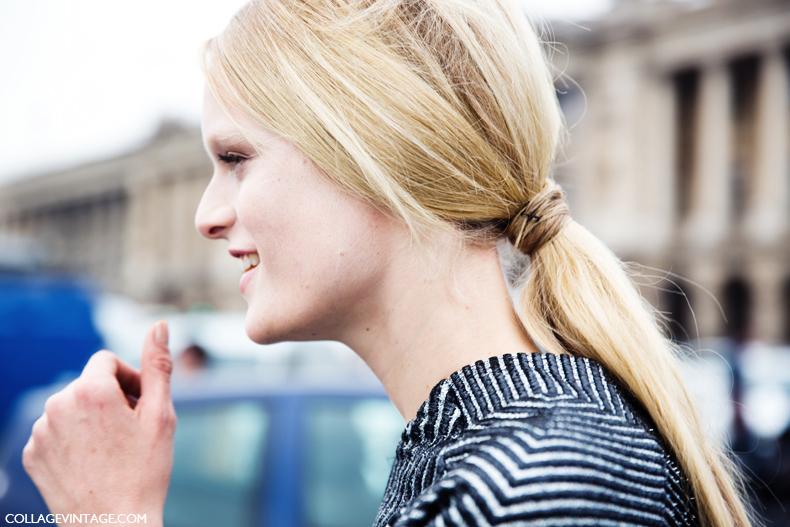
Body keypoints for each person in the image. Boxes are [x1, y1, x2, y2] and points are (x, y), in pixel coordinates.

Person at [21, 1, 759, 526]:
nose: (205, 214)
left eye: (237, 158)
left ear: (378, 155)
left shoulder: (526, 486)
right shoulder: (519, 445)